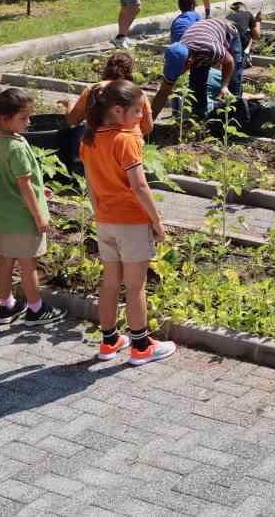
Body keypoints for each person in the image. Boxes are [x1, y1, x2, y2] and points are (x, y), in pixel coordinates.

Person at [81, 80, 175, 365]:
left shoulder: (90, 139)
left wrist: (100, 213)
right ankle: (141, 346)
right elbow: (139, 186)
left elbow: (90, 184)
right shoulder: (126, 140)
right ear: (119, 111)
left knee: (110, 283)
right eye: (137, 111)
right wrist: (156, 221)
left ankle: (109, 343)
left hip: (105, 221)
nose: (141, 117)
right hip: (131, 222)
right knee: (135, 286)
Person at [0, 88, 64, 326]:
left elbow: (13, 179)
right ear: (4, 118)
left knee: (6, 260)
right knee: (28, 264)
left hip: (5, 216)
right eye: (23, 118)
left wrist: (41, 190)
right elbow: (25, 186)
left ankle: (6, 304)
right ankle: (36, 309)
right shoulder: (17, 147)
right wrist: (39, 216)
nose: (28, 122)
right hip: (23, 217)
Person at [153, 17, 243, 121]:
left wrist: (224, 86)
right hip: (201, 37)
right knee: (197, 89)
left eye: (181, 70)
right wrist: (149, 123)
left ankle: (235, 120)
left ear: (190, 61)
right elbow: (163, 92)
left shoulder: (210, 50)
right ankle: (201, 120)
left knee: (234, 82)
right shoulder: (175, 56)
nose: (180, 73)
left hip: (227, 30)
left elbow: (229, 61)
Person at [65, 51, 156, 138]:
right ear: (130, 72)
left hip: (97, 145)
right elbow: (148, 127)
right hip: (127, 145)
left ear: (107, 68)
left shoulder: (94, 89)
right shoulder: (138, 93)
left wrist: (69, 104)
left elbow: (73, 120)